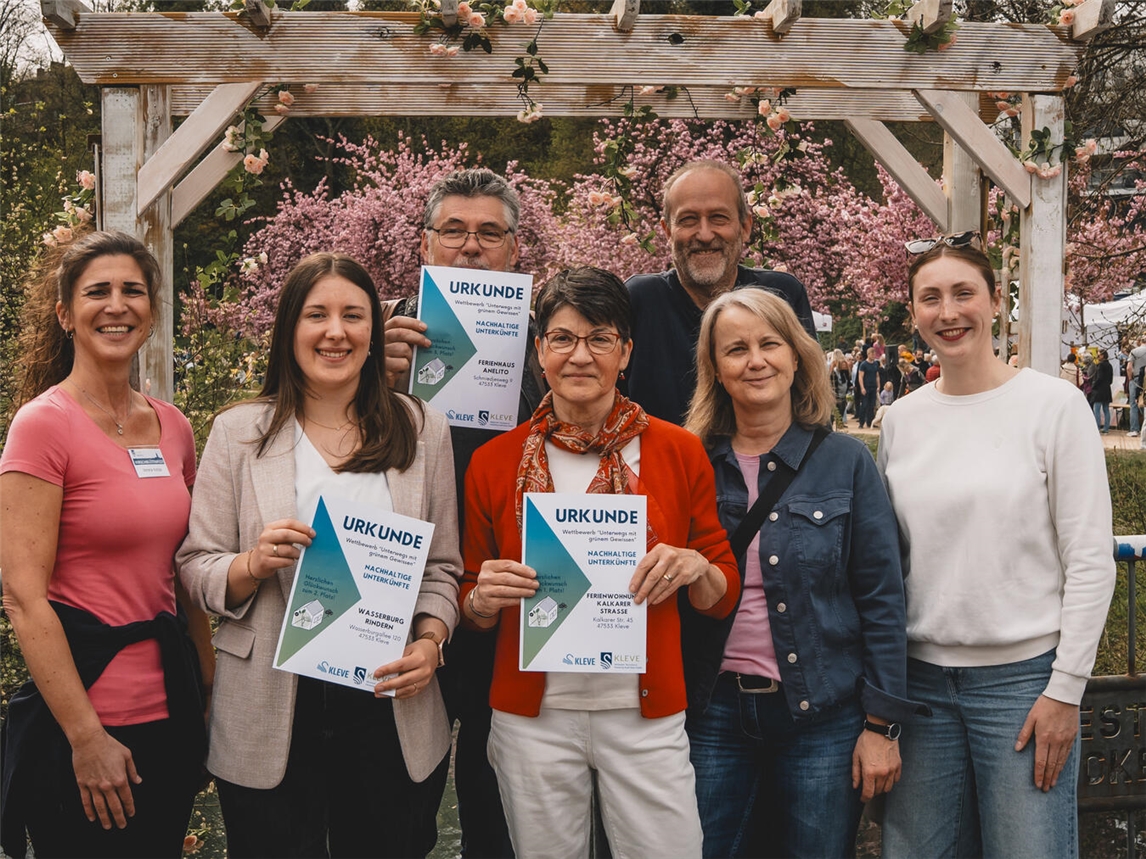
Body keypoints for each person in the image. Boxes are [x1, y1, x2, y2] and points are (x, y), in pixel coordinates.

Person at [177, 253, 462, 858]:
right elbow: (196, 567)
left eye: (353, 315)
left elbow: (442, 568)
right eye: (317, 315)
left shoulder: (421, 427)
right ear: (290, 329)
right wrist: (252, 564)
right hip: (270, 702)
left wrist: (430, 643)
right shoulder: (240, 432)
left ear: (373, 331)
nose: (336, 331)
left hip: (390, 701)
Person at [460, 266, 740, 858]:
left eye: (600, 338)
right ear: (539, 351)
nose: (579, 355)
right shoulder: (493, 462)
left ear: (626, 352)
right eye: (562, 338)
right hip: (533, 717)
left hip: (644, 714)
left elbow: (722, 590)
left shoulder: (678, 451)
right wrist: (480, 599)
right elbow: (470, 597)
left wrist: (696, 567)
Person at [878, 240, 1116, 858]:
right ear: (914, 312)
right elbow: (890, 562)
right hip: (920, 686)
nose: (948, 311)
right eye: (931, 297)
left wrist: (1066, 689)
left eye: (964, 293)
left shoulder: (1054, 407)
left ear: (993, 303)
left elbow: (1090, 560)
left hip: (1023, 686)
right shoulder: (901, 420)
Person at [681, 288, 920, 858]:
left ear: (795, 355)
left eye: (770, 343)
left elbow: (884, 598)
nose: (755, 360)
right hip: (712, 712)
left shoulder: (846, 462)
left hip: (823, 716)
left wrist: (882, 725)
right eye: (736, 349)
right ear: (715, 367)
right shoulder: (687, 459)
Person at [1, 230, 214, 859]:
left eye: (133, 291)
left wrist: (207, 696)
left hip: (169, 713)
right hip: (89, 724)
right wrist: (84, 735)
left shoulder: (172, 426)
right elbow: (21, 596)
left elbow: (184, 573)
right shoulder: (44, 424)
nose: (116, 305)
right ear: (66, 313)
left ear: (151, 309)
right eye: (97, 292)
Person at [381, 167, 541, 856]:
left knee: (492, 794)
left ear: (513, 248)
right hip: (396, 588)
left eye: (488, 233)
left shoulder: (545, 338)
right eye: (454, 231)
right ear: (424, 244)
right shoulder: (372, 330)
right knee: (392, 799)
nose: (470, 247)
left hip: (501, 593)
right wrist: (371, 377)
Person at [624, 159, 817, 426]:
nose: (704, 234)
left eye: (718, 218)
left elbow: (810, 402)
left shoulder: (780, 294)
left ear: (746, 226)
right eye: (688, 220)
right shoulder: (640, 300)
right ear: (667, 231)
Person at [1090, 348, 1114, 433]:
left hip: (1099, 390)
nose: (1097, 357)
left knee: (1096, 409)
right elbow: (1111, 380)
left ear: (1103, 356)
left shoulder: (1100, 365)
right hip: (1107, 389)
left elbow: (1099, 378)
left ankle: (1097, 427)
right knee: (1106, 409)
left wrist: (1093, 385)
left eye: (1099, 355)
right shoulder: (1109, 365)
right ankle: (1106, 428)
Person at [855, 347, 879, 428]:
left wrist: (878, 385)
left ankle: (870, 422)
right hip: (866, 386)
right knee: (864, 405)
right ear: (868, 354)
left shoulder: (876, 364)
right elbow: (860, 376)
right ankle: (861, 422)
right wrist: (862, 387)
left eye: (874, 354)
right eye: (872, 354)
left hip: (873, 386)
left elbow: (877, 376)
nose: (873, 355)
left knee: (872, 405)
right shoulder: (863, 364)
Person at [1128, 336, 1146, 437]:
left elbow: (1129, 367)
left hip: (1136, 378)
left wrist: (1130, 378)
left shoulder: (1134, 352)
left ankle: (1134, 429)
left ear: (1140, 341)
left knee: (1134, 404)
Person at [829, 350, 851, 427]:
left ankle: (840, 423)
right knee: (834, 411)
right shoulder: (834, 372)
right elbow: (832, 384)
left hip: (843, 394)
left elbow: (848, 381)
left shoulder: (844, 373)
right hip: (837, 394)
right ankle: (831, 424)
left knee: (842, 409)